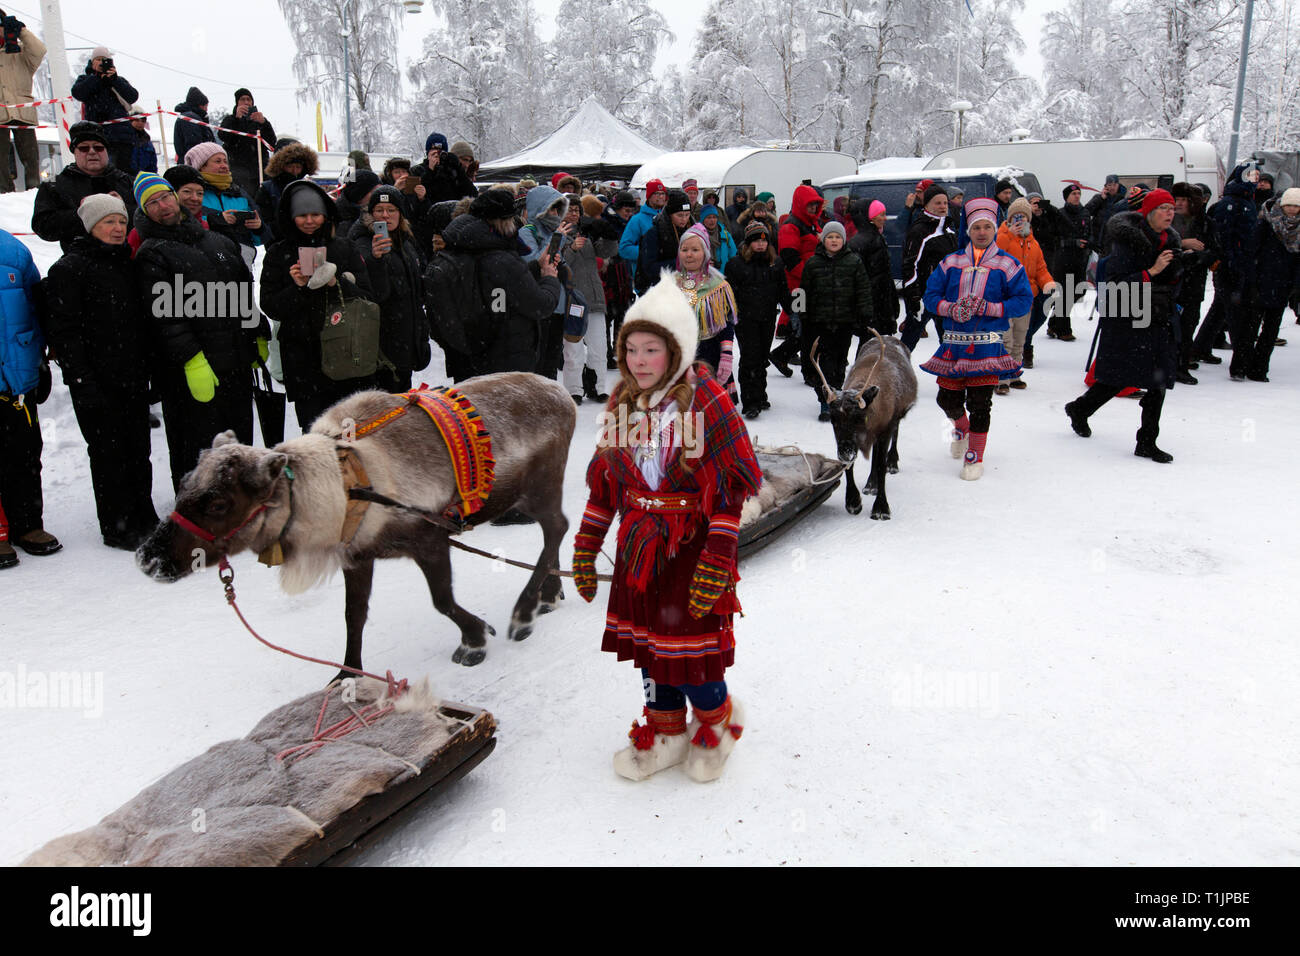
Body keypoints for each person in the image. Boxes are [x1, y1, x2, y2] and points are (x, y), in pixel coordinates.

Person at [571, 274, 761, 782]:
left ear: (675, 351)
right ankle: (667, 730)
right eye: (630, 348)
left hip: (690, 546)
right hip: (638, 546)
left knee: (692, 656)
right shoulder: (622, 404)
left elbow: (731, 487)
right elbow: (606, 484)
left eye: (650, 349)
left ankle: (717, 723)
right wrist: (587, 545)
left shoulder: (707, 401)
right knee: (652, 652)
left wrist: (718, 558)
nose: (638, 360)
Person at [38, 194, 158, 549]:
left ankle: (144, 513)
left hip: (132, 375)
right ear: (91, 226)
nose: (118, 229)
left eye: (122, 222)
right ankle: (118, 525)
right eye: (109, 222)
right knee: (108, 453)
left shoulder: (127, 264)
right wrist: (82, 381)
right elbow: (65, 333)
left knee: (139, 449)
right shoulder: (70, 268)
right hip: (95, 379)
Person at [134, 172, 265, 489]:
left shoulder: (218, 240)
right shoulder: (152, 253)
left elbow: (242, 291)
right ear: (143, 210)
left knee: (238, 440)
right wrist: (192, 359)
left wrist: (256, 331)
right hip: (191, 370)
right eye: (152, 202)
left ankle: (241, 500)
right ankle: (197, 508)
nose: (163, 206)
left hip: (234, 361)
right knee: (197, 448)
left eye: (165, 196)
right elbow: (165, 316)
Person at [1064, 189, 1183, 463]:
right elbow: (1115, 283)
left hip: (1158, 315)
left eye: (1172, 208)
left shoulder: (1170, 240)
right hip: (1127, 316)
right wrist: (1151, 272)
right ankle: (1080, 409)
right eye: (1164, 208)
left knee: (1158, 382)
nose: (1169, 213)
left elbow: (1173, 279)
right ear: (1150, 211)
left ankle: (1147, 442)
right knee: (1117, 378)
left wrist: (1179, 268)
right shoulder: (1127, 242)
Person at [919, 197, 1031, 481]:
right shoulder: (951, 262)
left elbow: (1023, 300)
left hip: (988, 347)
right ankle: (962, 428)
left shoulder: (1008, 264)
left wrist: (991, 308)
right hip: (954, 345)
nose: (982, 232)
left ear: (995, 229)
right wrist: (950, 307)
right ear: (968, 230)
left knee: (981, 403)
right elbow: (931, 296)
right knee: (946, 398)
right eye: (976, 227)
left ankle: (974, 457)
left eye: (987, 227)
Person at [259, 179, 375, 431]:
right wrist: (298, 287)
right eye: (302, 215)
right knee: (315, 434)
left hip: (346, 355)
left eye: (315, 214)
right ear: (290, 217)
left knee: (350, 434)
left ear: (326, 215)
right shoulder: (278, 253)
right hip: (303, 362)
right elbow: (270, 306)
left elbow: (367, 297)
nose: (309, 221)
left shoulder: (344, 248)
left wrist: (337, 283)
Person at [437, 187, 562, 377]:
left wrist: (536, 267)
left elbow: (502, 285)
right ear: (504, 221)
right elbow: (540, 305)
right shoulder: (502, 258)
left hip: (471, 355)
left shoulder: (465, 245)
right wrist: (549, 278)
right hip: (506, 358)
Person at [0, 223, 60, 557]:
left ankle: (26, 524)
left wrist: (40, 358)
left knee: (24, 454)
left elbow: (37, 307)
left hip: (17, 374)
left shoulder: (12, 250)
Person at [353, 185, 430, 393]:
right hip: (381, 348)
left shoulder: (406, 242)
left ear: (400, 213)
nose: (385, 216)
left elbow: (416, 292)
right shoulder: (362, 243)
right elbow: (375, 296)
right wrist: (376, 260)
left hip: (405, 342)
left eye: (391, 210)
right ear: (371, 214)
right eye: (379, 210)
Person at [800, 221, 873, 420]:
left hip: (844, 321)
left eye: (838, 237)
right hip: (820, 322)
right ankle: (825, 399)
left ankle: (838, 393)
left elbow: (863, 290)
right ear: (823, 240)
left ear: (844, 240)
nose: (834, 240)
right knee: (823, 362)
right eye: (830, 237)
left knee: (840, 360)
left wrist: (865, 314)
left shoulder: (854, 262)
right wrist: (804, 317)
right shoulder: (813, 263)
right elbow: (804, 292)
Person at [31, 121, 134, 252]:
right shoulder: (55, 185)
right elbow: (43, 226)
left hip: (127, 259)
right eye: (84, 148)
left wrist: (123, 209)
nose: (92, 152)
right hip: (80, 260)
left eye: (98, 147)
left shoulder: (127, 182)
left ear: (106, 151)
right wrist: (85, 213)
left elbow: (148, 216)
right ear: (74, 153)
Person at [1193, 164, 1258, 369]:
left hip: (1241, 264)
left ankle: (1199, 349)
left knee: (1221, 309)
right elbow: (1221, 236)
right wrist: (1226, 261)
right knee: (1234, 313)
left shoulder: (1248, 200)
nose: (1255, 179)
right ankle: (1241, 362)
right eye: (1251, 175)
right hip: (1229, 266)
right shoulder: (1230, 203)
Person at [725, 221, 792, 420]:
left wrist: (794, 312)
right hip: (746, 319)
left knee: (762, 357)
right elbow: (731, 294)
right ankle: (750, 401)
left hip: (768, 317)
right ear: (748, 243)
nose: (760, 245)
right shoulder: (736, 265)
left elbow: (783, 290)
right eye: (756, 241)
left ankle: (760, 394)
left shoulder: (775, 263)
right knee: (750, 358)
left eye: (764, 241)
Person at [994, 198, 1057, 393]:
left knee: (1020, 338)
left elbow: (1040, 267)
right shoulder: (1001, 237)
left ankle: (1014, 373)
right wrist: (1008, 236)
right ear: (1009, 218)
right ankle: (1001, 378)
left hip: (1025, 298)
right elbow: (993, 256)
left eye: (1024, 217)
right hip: (1004, 298)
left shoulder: (1033, 243)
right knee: (1006, 338)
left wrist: (1047, 282)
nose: (1020, 221)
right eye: (1015, 217)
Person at [1238, 187, 1300, 382]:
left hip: (1283, 284)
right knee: (1250, 328)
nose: (1291, 209)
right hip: (1261, 281)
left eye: (1296, 206)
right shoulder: (1267, 222)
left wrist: (1295, 285)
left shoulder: (1297, 228)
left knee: (1271, 330)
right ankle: (1240, 367)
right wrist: (1251, 279)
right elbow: (1252, 251)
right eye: (1289, 205)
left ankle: (1259, 369)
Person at [674, 223, 738, 400]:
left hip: (709, 355)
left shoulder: (718, 286)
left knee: (708, 411)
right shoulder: (670, 285)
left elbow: (726, 325)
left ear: (706, 253)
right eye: (684, 249)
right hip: (678, 357)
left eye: (695, 249)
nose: (689, 254)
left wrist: (726, 355)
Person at [560, 194, 610, 404]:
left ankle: (597, 387)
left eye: (577, 210)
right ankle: (574, 390)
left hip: (595, 298)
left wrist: (607, 234)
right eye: (570, 210)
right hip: (573, 301)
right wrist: (571, 249)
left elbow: (609, 252)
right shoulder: (557, 234)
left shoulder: (587, 233)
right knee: (573, 349)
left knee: (600, 348)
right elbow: (558, 264)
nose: (574, 214)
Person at [186, 142, 265, 269]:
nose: (224, 166)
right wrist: (218, 220)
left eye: (225, 161)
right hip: (206, 260)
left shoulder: (239, 193)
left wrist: (258, 227)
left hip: (242, 261)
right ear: (201, 166)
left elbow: (261, 237)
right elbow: (186, 225)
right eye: (217, 161)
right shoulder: (193, 195)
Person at [777, 184, 827, 382]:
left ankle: (784, 356)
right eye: (810, 205)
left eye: (816, 205)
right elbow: (790, 260)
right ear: (800, 204)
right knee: (803, 329)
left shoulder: (813, 224)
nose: (814, 209)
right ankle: (800, 366)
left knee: (808, 329)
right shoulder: (791, 226)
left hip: (810, 287)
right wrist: (811, 276)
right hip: (797, 289)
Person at [900, 183, 958, 350]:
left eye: (945, 203)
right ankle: (896, 373)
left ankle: (950, 375)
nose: (942, 206)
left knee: (949, 342)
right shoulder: (919, 230)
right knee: (907, 343)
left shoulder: (948, 230)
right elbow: (910, 266)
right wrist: (914, 299)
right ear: (927, 205)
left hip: (946, 297)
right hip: (925, 297)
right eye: (937, 203)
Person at [1170, 182, 1214, 384]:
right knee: (1170, 326)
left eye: (1183, 200)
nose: (1178, 204)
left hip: (1193, 282)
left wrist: (1197, 256)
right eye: (1176, 200)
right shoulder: (1168, 219)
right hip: (1170, 281)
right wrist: (1183, 245)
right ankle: (1171, 363)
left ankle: (1181, 363)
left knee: (1188, 325)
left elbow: (1214, 251)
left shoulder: (1206, 222)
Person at [71, 47, 138, 173]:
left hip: (121, 136)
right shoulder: (86, 79)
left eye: (105, 60)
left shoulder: (118, 80)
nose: (102, 62)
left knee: (124, 173)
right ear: (92, 62)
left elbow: (133, 96)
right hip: (97, 135)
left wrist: (114, 80)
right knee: (102, 171)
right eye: (98, 60)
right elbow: (78, 93)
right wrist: (96, 77)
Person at [0, 11, 45, 193]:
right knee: (0, 158)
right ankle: (4, 191)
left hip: (22, 112)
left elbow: (40, 50)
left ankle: (34, 189)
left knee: (30, 156)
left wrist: (22, 31)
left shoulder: (22, 53)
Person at [847, 199, 900, 337]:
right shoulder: (864, 240)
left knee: (875, 341)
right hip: (872, 301)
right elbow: (857, 276)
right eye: (881, 214)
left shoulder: (876, 237)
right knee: (870, 341)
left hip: (879, 300)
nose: (885, 218)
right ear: (870, 217)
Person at [1052, 183, 1093, 342]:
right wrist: (1072, 242)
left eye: (1078, 193)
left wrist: (1089, 243)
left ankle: (1054, 321)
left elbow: (1090, 232)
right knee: (1065, 294)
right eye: (1073, 193)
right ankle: (1064, 329)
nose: (1077, 196)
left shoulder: (1085, 213)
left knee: (1079, 291)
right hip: (1063, 260)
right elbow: (1056, 238)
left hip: (1080, 260)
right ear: (1067, 197)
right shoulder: (1060, 214)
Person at [255, 142, 318, 241]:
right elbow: (264, 221)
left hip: (305, 242)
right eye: (290, 166)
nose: (294, 171)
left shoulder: (308, 187)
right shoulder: (267, 189)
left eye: (298, 167)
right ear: (281, 166)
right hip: (277, 244)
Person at [218, 88, 275, 195]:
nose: (246, 102)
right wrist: (237, 120)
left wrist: (264, 123)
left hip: (260, 171)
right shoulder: (230, 119)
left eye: (249, 99)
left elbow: (271, 143)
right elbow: (224, 136)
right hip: (238, 170)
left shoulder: (259, 120)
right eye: (242, 99)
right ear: (237, 103)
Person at [637, 188, 693, 291]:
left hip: (688, 287)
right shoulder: (655, 233)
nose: (684, 219)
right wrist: (679, 263)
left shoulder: (693, 231)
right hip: (662, 289)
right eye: (679, 215)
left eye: (687, 215)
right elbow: (649, 268)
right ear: (670, 214)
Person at [619, 178, 668, 293]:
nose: (661, 197)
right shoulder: (637, 220)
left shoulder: (668, 218)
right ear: (649, 196)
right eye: (656, 193)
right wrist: (647, 253)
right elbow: (624, 248)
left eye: (663, 194)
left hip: (666, 280)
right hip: (645, 281)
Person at [171, 86, 214, 165]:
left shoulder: (193, 118)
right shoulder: (190, 119)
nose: (207, 110)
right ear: (199, 105)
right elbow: (194, 147)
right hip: (193, 165)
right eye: (206, 106)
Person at [698, 203, 736, 270]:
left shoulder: (725, 235)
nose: (712, 220)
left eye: (714, 217)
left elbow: (733, 256)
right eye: (709, 217)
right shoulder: (697, 236)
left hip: (723, 275)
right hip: (703, 275)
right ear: (702, 219)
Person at [124, 108, 156, 178]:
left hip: (144, 179)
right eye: (137, 120)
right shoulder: (123, 139)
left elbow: (152, 165)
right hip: (126, 179)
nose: (140, 123)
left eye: (143, 121)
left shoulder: (147, 141)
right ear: (130, 120)